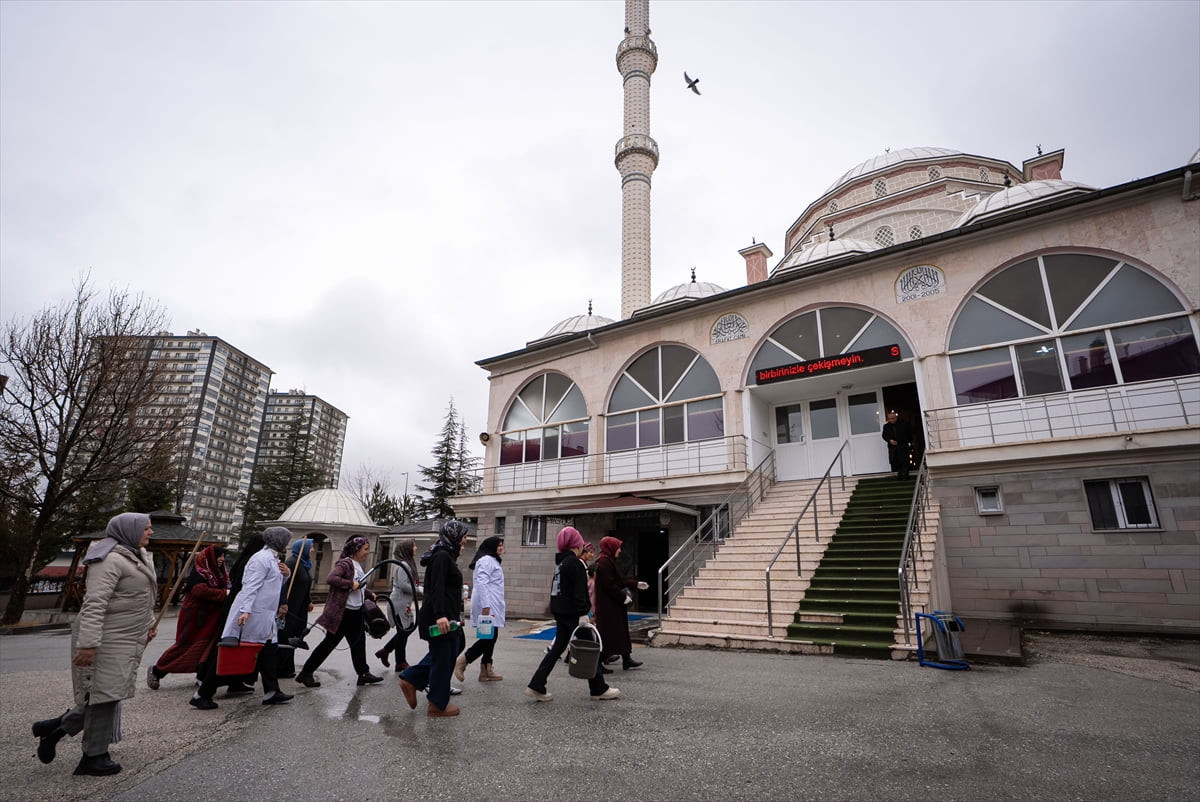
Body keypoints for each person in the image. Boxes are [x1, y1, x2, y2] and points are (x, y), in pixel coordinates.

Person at [30, 512, 158, 776]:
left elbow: (142, 597)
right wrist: (88, 645)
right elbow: (95, 604)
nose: (151, 532)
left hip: (126, 637)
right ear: (129, 530)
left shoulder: (138, 556)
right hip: (105, 638)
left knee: (109, 694)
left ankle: (54, 729)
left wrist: (150, 623)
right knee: (104, 697)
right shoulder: (109, 560)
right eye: (146, 528)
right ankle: (93, 756)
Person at [191, 527, 294, 709]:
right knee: (233, 652)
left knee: (269, 651)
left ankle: (272, 691)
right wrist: (245, 611)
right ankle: (202, 693)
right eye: (285, 539)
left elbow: (273, 585)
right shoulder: (261, 559)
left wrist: (286, 575)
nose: (287, 543)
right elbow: (250, 587)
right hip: (252, 615)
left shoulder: (272, 559)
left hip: (264, 616)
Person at [525, 526, 619, 703]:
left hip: (561, 612)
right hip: (574, 614)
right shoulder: (575, 564)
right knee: (591, 645)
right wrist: (584, 613)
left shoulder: (560, 564)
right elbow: (579, 592)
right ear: (576, 544)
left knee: (557, 649)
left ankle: (536, 684)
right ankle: (598, 688)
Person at [398, 521, 469, 718]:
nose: (464, 540)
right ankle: (437, 704)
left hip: (447, 615)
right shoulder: (442, 557)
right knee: (442, 657)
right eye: (462, 536)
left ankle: (411, 679)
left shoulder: (446, 556)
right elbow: (436, 589)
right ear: (453, 536)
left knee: (453, 648)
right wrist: (440, 616)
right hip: (439, 616)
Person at [296, 536, 383, 688]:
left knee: (358, 643)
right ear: (356, 550)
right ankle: (306, 673)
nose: (367, 553)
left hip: (355, 611)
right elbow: (332, 578)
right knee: (329, 644)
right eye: (365, 549)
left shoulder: (357, 565)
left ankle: (363, 674)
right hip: (344, 613)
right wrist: (350, 584)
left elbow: (359, 585)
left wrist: (368, 593)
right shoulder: (345, 563)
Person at [146, 544, 229, 689]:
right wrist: (224, 594)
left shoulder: (220, 574)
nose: (221, 559)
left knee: (207, 647)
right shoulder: (200, 573)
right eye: (219, 556)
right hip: (196, 617)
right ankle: (157, 670)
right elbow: (199, 590)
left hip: (212, 617)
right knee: (185, 646)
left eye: (223, 556)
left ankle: (201, 674)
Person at [455, 536, 505, 683]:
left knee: (492, 636)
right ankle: (463, 661)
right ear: (491, 546)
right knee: (487, 637)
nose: (501, 548)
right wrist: (486, 605)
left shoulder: (492, 560)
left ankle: (486, 669)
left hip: (492, 603)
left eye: (502, 545)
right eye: (499, 545)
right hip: (488, 604)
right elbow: (482, 583)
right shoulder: (485, 560)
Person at [593, 536, 648, 671]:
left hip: (613, 605)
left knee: (620, 632)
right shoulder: (604, 563)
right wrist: (623, 596)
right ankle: (598, 662)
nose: (620, 550)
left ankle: (626, 659)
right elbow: (610, 585)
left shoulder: (609, 561)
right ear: (610, 547)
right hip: (608, 606)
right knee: (609, 634)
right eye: (618, 547)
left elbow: (620, 580)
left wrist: (636, 584)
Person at [375, 539, 419, 672]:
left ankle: (386, 651)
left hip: (403, 602)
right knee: (404, 631)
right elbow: (403, 585)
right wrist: (420, 589)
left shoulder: (406, 564)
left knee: (406, 630)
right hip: (399, 603)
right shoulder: (403, 565)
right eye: (414, 546)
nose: (416, 548)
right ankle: (400, 661)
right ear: (407, 549)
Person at [279, 538, 315, 657]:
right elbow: (283, 584)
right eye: (310, 547)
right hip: (290, 607)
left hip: (299, 608)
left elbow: (305, 585)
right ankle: (281, 667)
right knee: (286, 635)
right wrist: (283, 603)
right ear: (302, 549)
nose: (313, 550)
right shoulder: (292, 562)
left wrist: (308, 601)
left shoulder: (304, 564)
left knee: (294, 635)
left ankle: (288, 666)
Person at [882, 410, 912, 480]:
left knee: (904, 460)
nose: (891, 420)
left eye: (893, 418)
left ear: (896, 417)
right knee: (895, 461)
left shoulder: (904, 424)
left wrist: (908, 442)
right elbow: (884, 435)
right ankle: (900, 474)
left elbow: (909, 434)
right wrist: (889, 440)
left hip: (902, 445)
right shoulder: (886, 426)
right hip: (893, 447)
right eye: (890, 419)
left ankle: (905, 476)